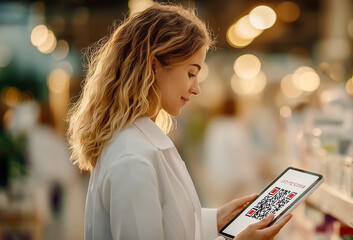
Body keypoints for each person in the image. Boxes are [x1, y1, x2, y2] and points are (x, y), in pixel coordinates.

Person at [66, 3, 291, 240]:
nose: (197, 89)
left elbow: (163, 221)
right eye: (191, 73)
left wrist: (216, 219)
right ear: (154, 65)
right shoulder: (132, 160)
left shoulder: (141, 143)